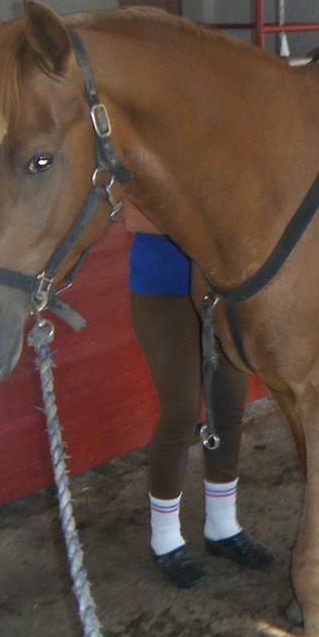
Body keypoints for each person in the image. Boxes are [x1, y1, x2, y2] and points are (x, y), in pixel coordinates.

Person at [125, 205, 274, 588]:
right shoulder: (149, 145)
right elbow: (131, 215)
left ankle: (223, 528)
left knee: (227, 405)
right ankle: (165, 540)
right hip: (162, 290)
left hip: (223, 287)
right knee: (181, 412)